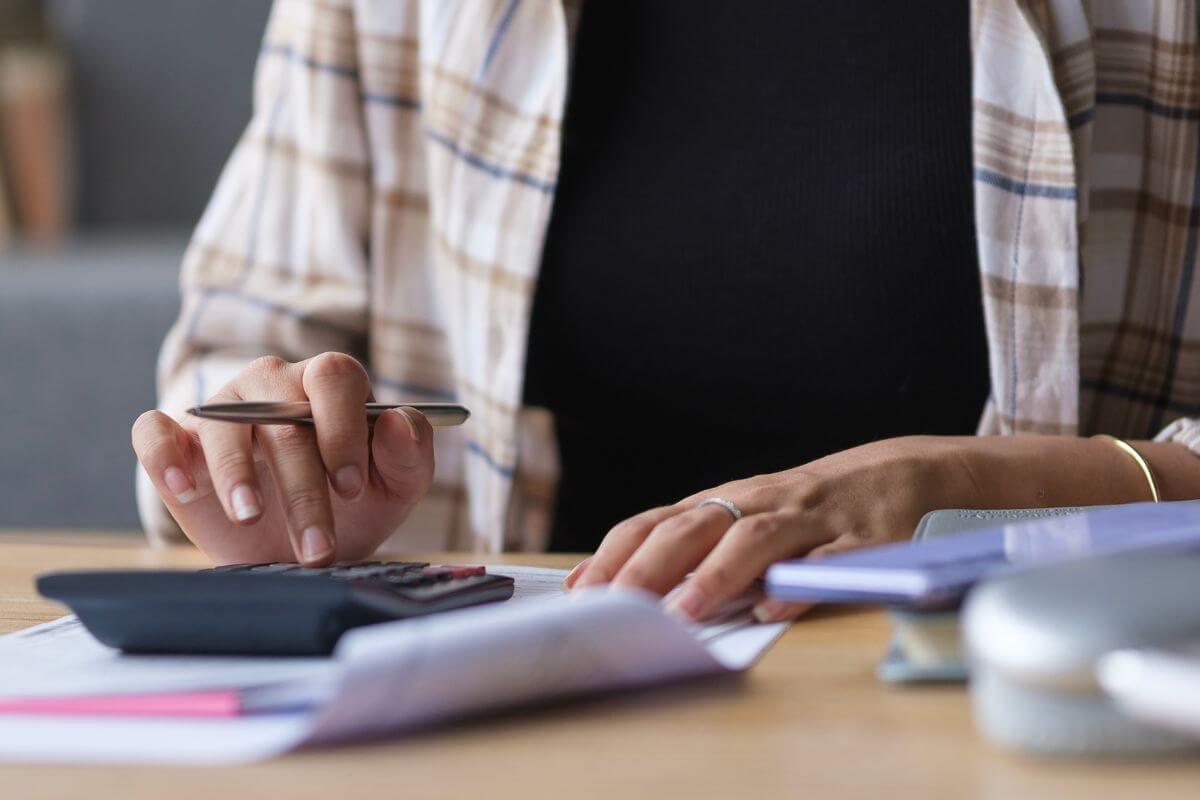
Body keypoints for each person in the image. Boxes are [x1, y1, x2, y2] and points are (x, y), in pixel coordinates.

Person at [133, 0, 1200, 623]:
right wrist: (278, 473)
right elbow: (240, 334)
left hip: (1035, 698)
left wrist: (962, 491)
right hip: (518, 708)